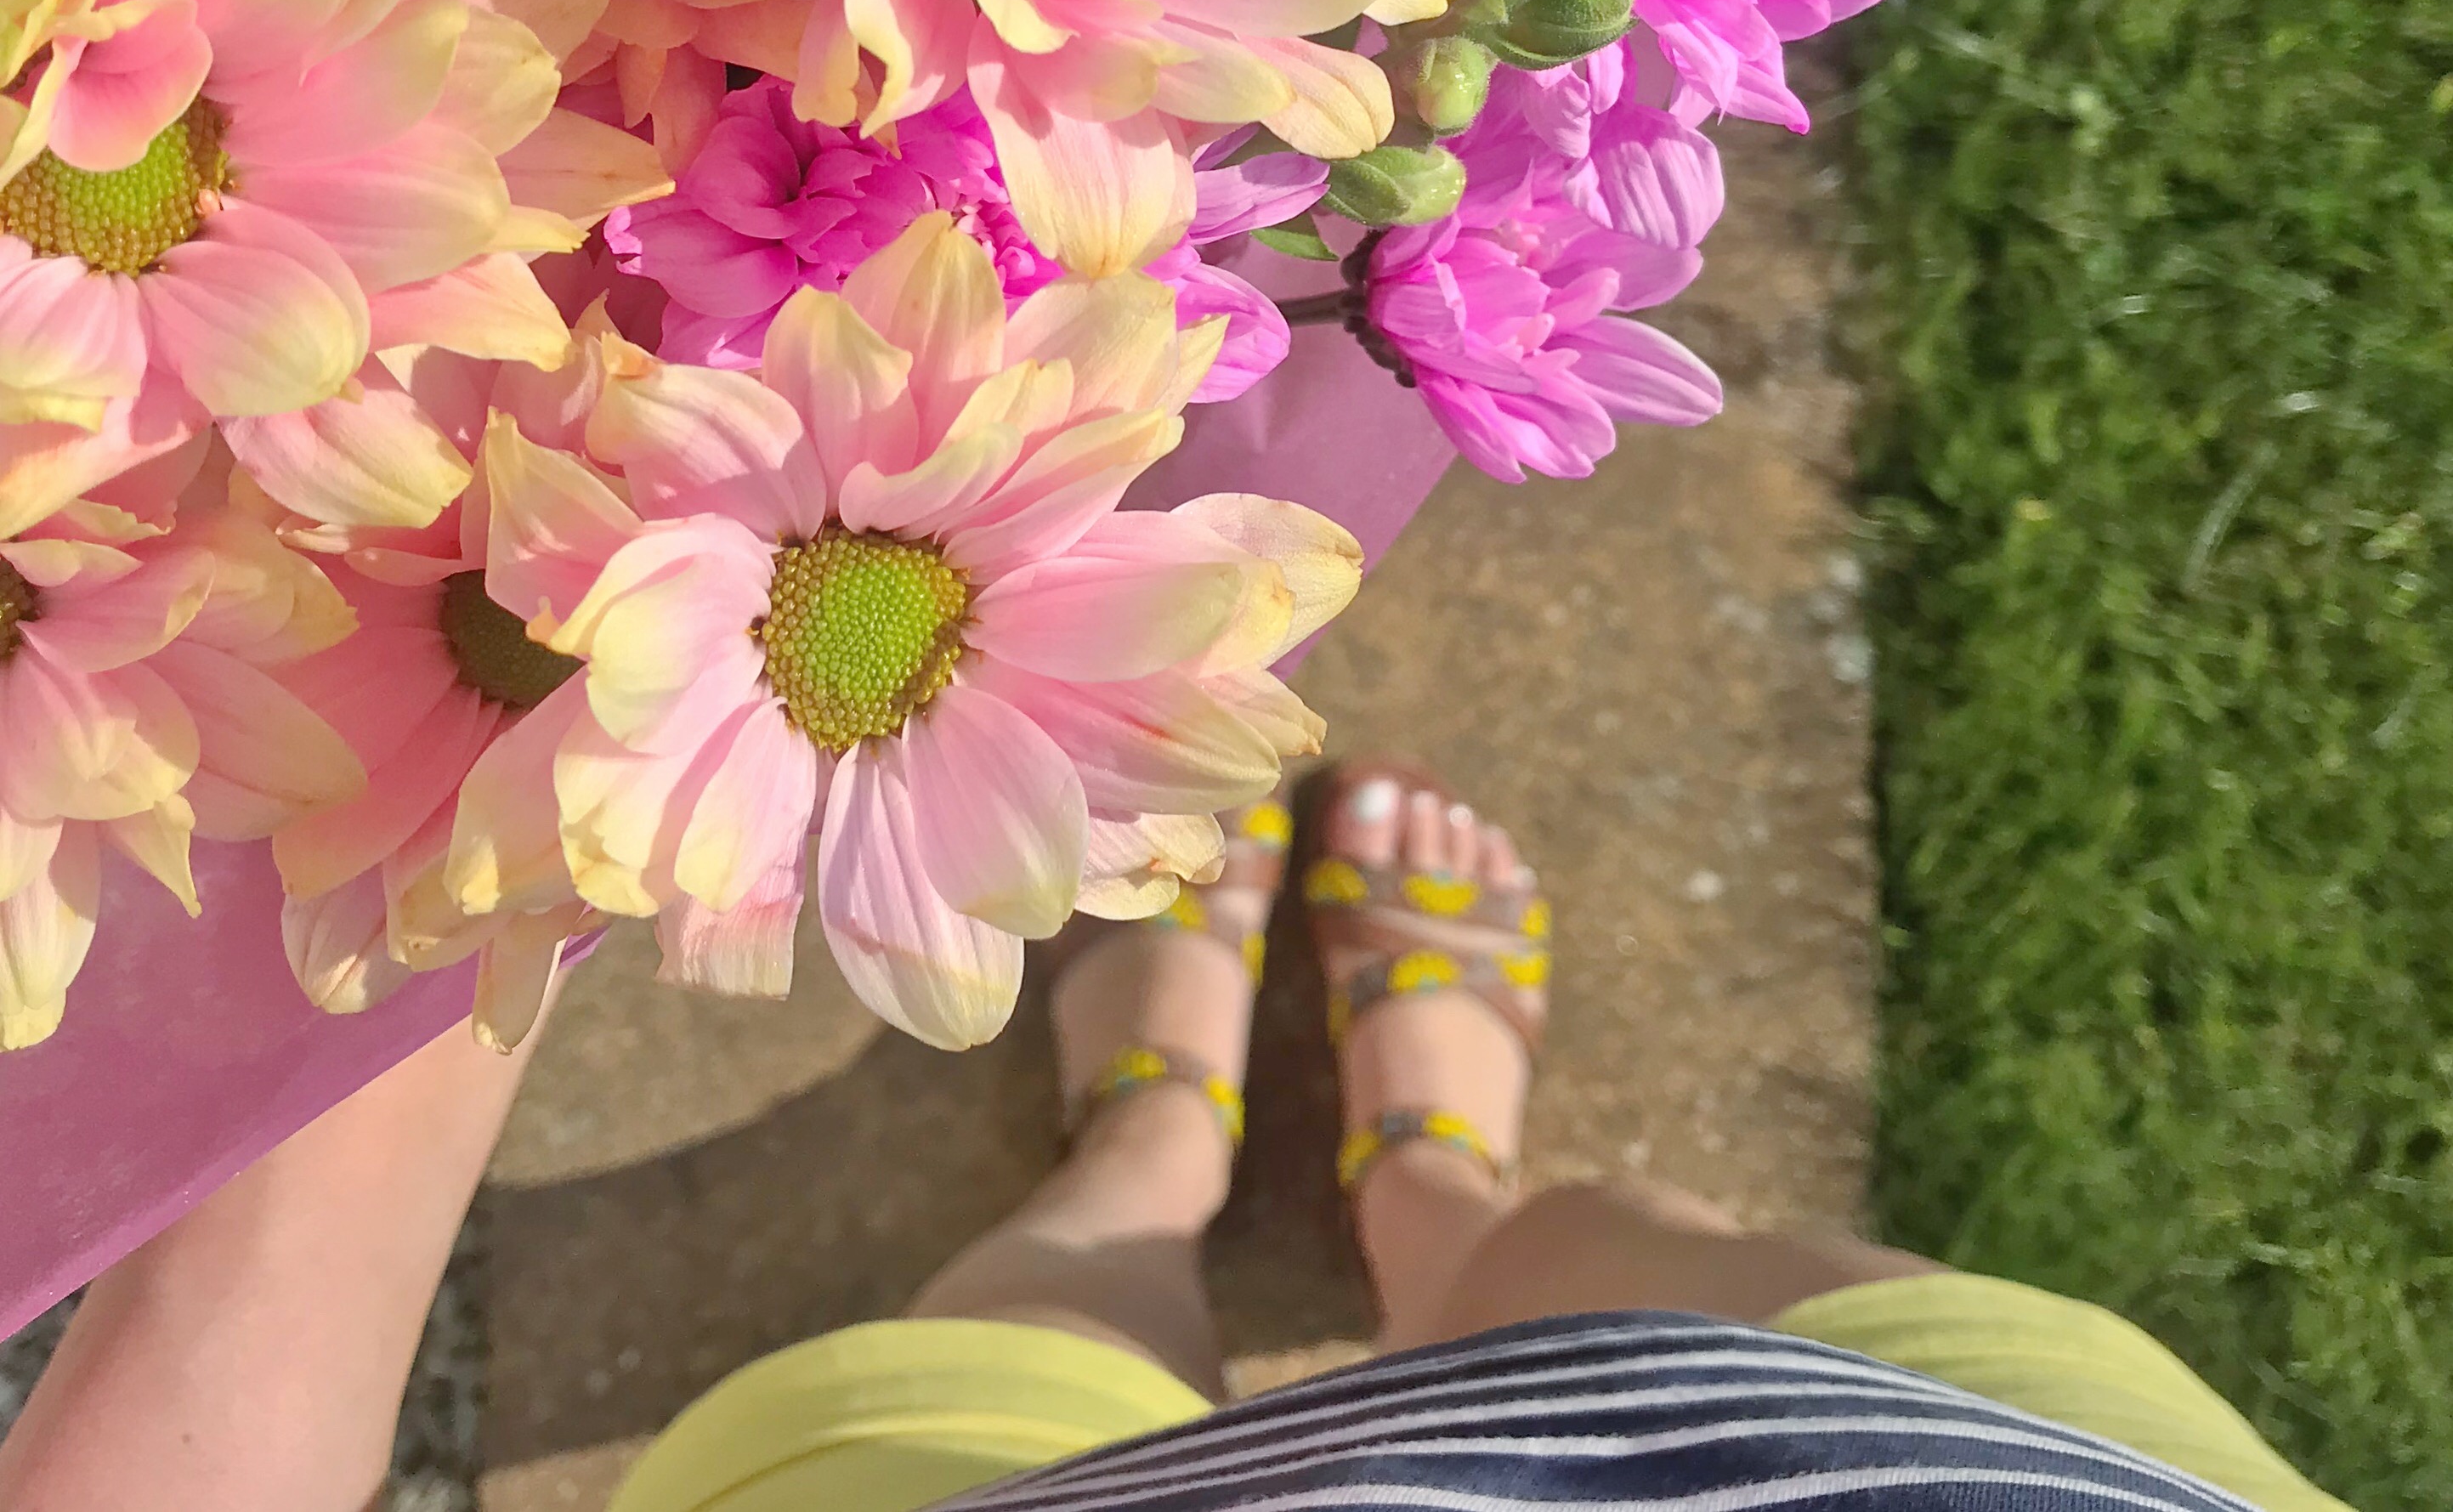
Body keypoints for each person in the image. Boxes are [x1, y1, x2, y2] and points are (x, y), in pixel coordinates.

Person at [0, 762, 2350, 1512]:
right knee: (1675, 1278)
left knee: (1009, 1369)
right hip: (1972, 1476)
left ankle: (1143, 1155)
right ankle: (1435, 1180)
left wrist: (452, 846)